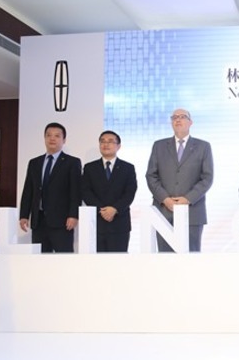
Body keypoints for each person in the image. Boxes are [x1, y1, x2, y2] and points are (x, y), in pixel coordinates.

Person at [146, 108, 214, 252]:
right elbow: (151, 175)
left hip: (192, 211)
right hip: (164, 211)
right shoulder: (159, 146)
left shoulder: (203, 146)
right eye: (174, 117)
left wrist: (188, 199)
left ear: (190, 122)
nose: (178, 119)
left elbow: (207, 177)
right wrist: (165, 199)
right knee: (165, 258)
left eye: (182, 117)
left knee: (191, 257)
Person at [19, 122, 82, 253]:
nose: (52, 138)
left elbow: (75, 191)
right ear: (44, 138)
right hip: (38, 221)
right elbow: (28, 190)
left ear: (64, 140)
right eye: (48, 135)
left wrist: (73, 215)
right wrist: (24, 215)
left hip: (62, 222)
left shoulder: (72, 162)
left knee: (64, 259)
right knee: (40, 259)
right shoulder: (34, 163)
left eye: (57, 136)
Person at [82, 130, 138, 252]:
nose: (106, 144)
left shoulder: (128, 168)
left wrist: (114, 209)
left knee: (119, 261)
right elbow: (86, 192)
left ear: (118, 146)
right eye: (102, 141)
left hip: (120, 223)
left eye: (110, 141)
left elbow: (130, 193)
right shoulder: (89, 168)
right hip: (97, 223)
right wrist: (102, 210)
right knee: (97, 261)